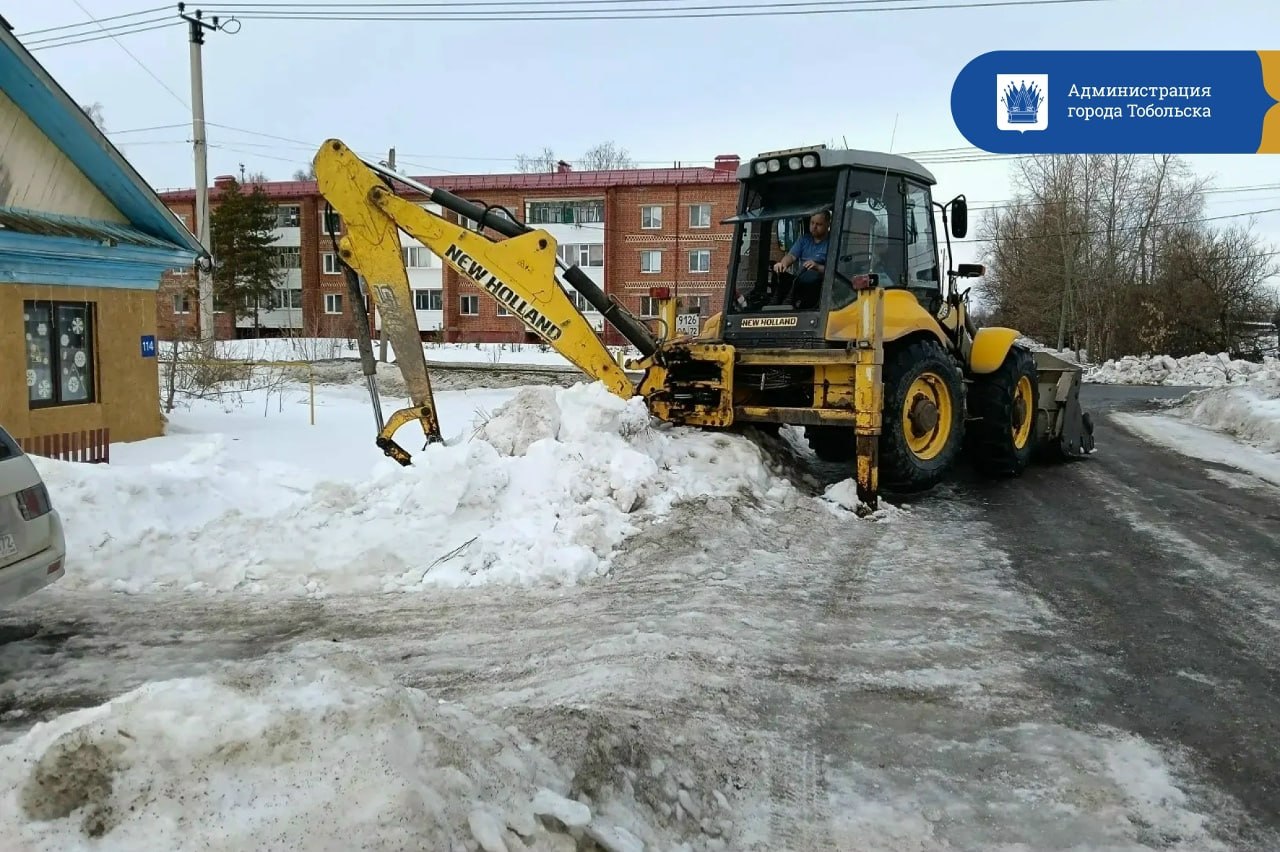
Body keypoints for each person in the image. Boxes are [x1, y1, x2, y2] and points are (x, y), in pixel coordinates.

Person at [772, 210, 831, 308]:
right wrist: (782, 264)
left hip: (818, 286)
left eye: (818, 224)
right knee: (779, 275)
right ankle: (776, 305)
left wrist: (817, 267)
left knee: (810, 277)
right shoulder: (804, 239)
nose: (814, 227)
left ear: (827, 224)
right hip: (798, 279)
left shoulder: (833, 242)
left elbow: (834, 271)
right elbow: (791, 256)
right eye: (812, 223)